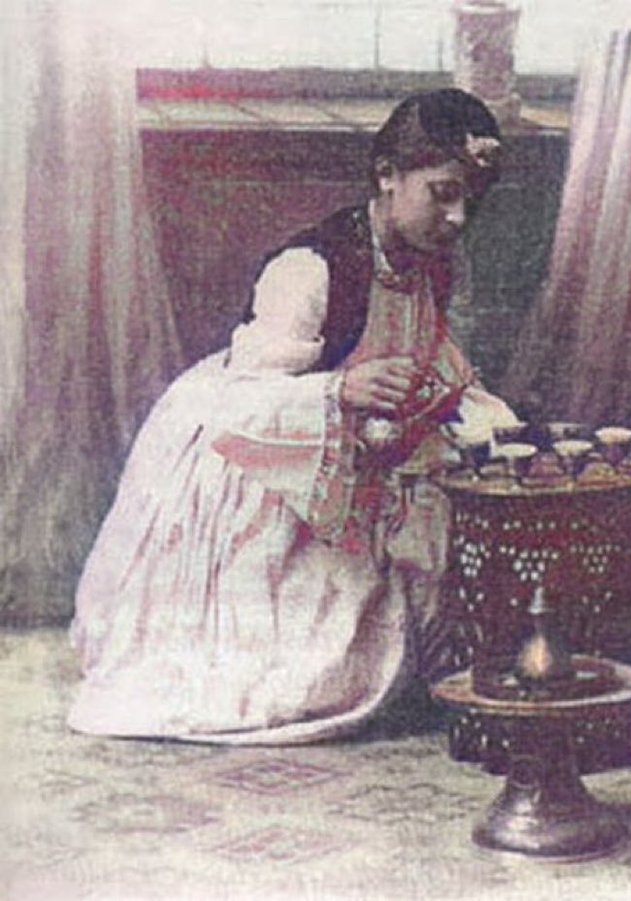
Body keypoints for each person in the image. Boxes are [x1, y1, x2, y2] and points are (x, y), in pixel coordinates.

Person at [68, 89, 519, 744]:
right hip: (260, 454)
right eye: (442, 194)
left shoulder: (427, 263)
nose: (456, 218)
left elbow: (436, 358)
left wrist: (483, 420)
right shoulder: (311, 268)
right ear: (387, 175)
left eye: (469, 202)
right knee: (308, 662)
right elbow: (242, 402)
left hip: (362, 442)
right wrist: (340, 390)